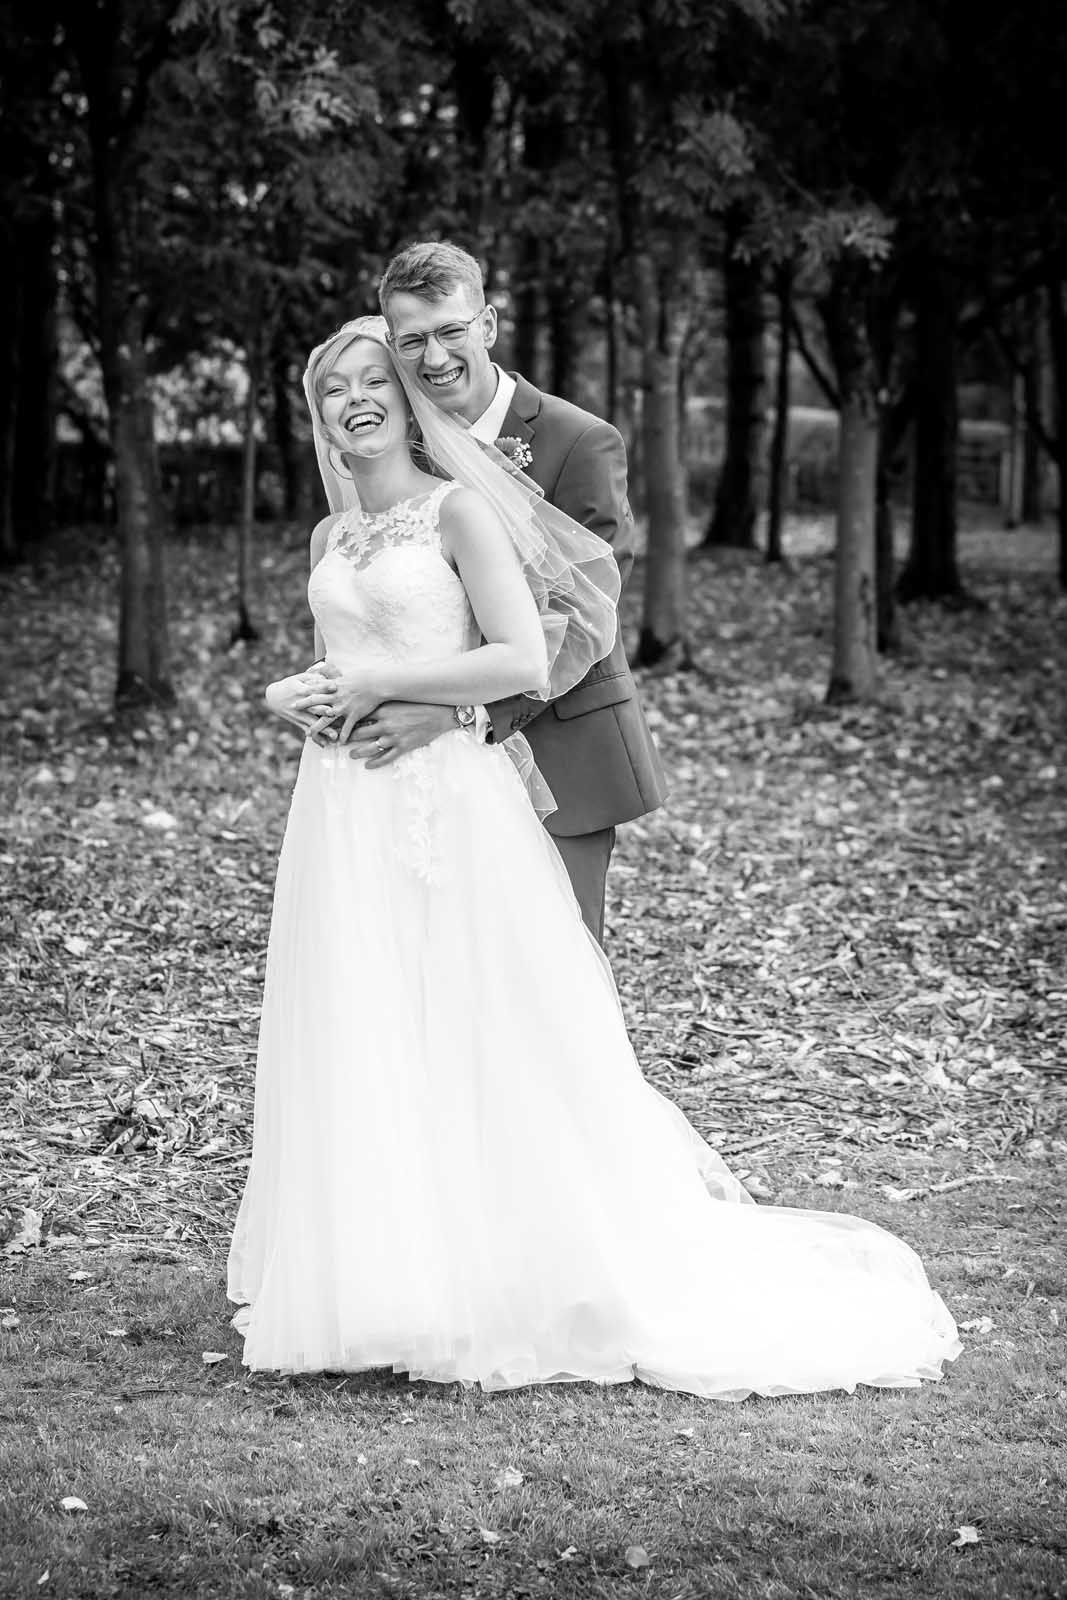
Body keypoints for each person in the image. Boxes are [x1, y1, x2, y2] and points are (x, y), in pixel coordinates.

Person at [226, 313, 961, 1397]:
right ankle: (388, 1273)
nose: (357, 398)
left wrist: (390, 692)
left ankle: (510, 1261)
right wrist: (300, 693)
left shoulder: (460, 510)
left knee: (480, 1017)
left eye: (376, 377)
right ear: (318, 413)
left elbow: (520, 653)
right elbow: (348, 655)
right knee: (372, 1018)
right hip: (344, 810)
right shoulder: (328, 542)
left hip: (450, 801)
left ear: (409, 394)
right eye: (334, 387)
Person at [338, 240, 666, 943]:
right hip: (431, 772)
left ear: (486, 324)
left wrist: (459, 715)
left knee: (562, 963)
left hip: (561, 748)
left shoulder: (580, 442)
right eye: (413, 341)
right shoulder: (405, 448)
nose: (434, 358)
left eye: (451, 331)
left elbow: (584, 616)